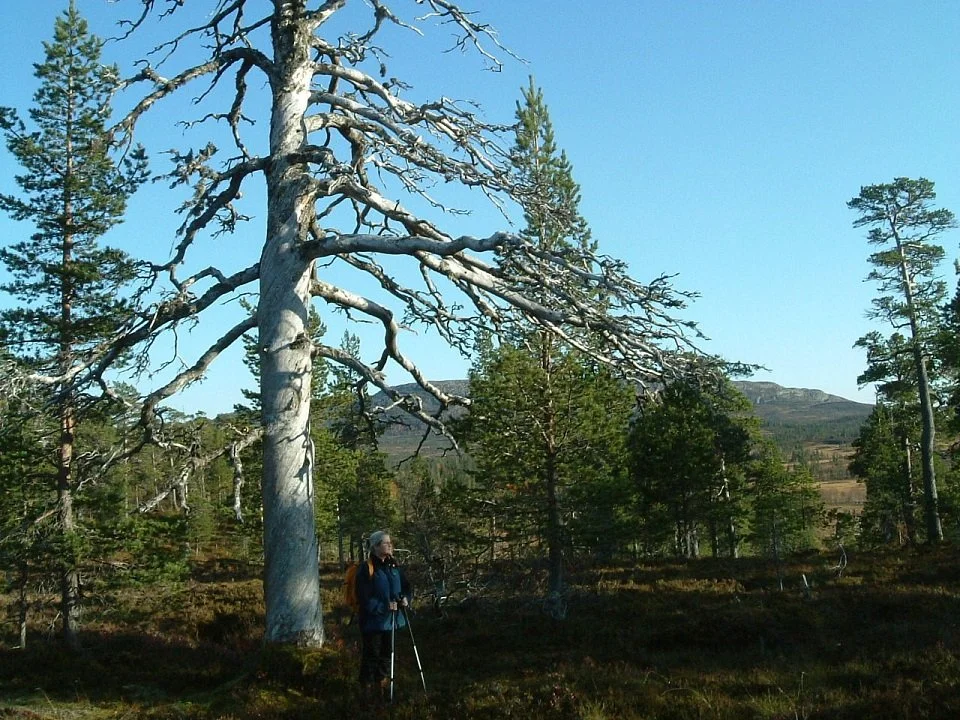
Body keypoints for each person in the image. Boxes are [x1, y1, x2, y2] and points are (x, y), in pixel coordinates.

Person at [356, 530, 412, 695]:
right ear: (375, 546)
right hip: (372, 621)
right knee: (371, 655)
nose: (390, 545)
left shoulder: (394, 565)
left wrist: (406, 599)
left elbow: (406, 587)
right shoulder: (366, 568)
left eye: (390, 543)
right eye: (386, 543)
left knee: (387, 653)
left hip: (392, 620)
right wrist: (383, 607)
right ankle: (365, 689)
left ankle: (381, 685)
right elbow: (363, 597)